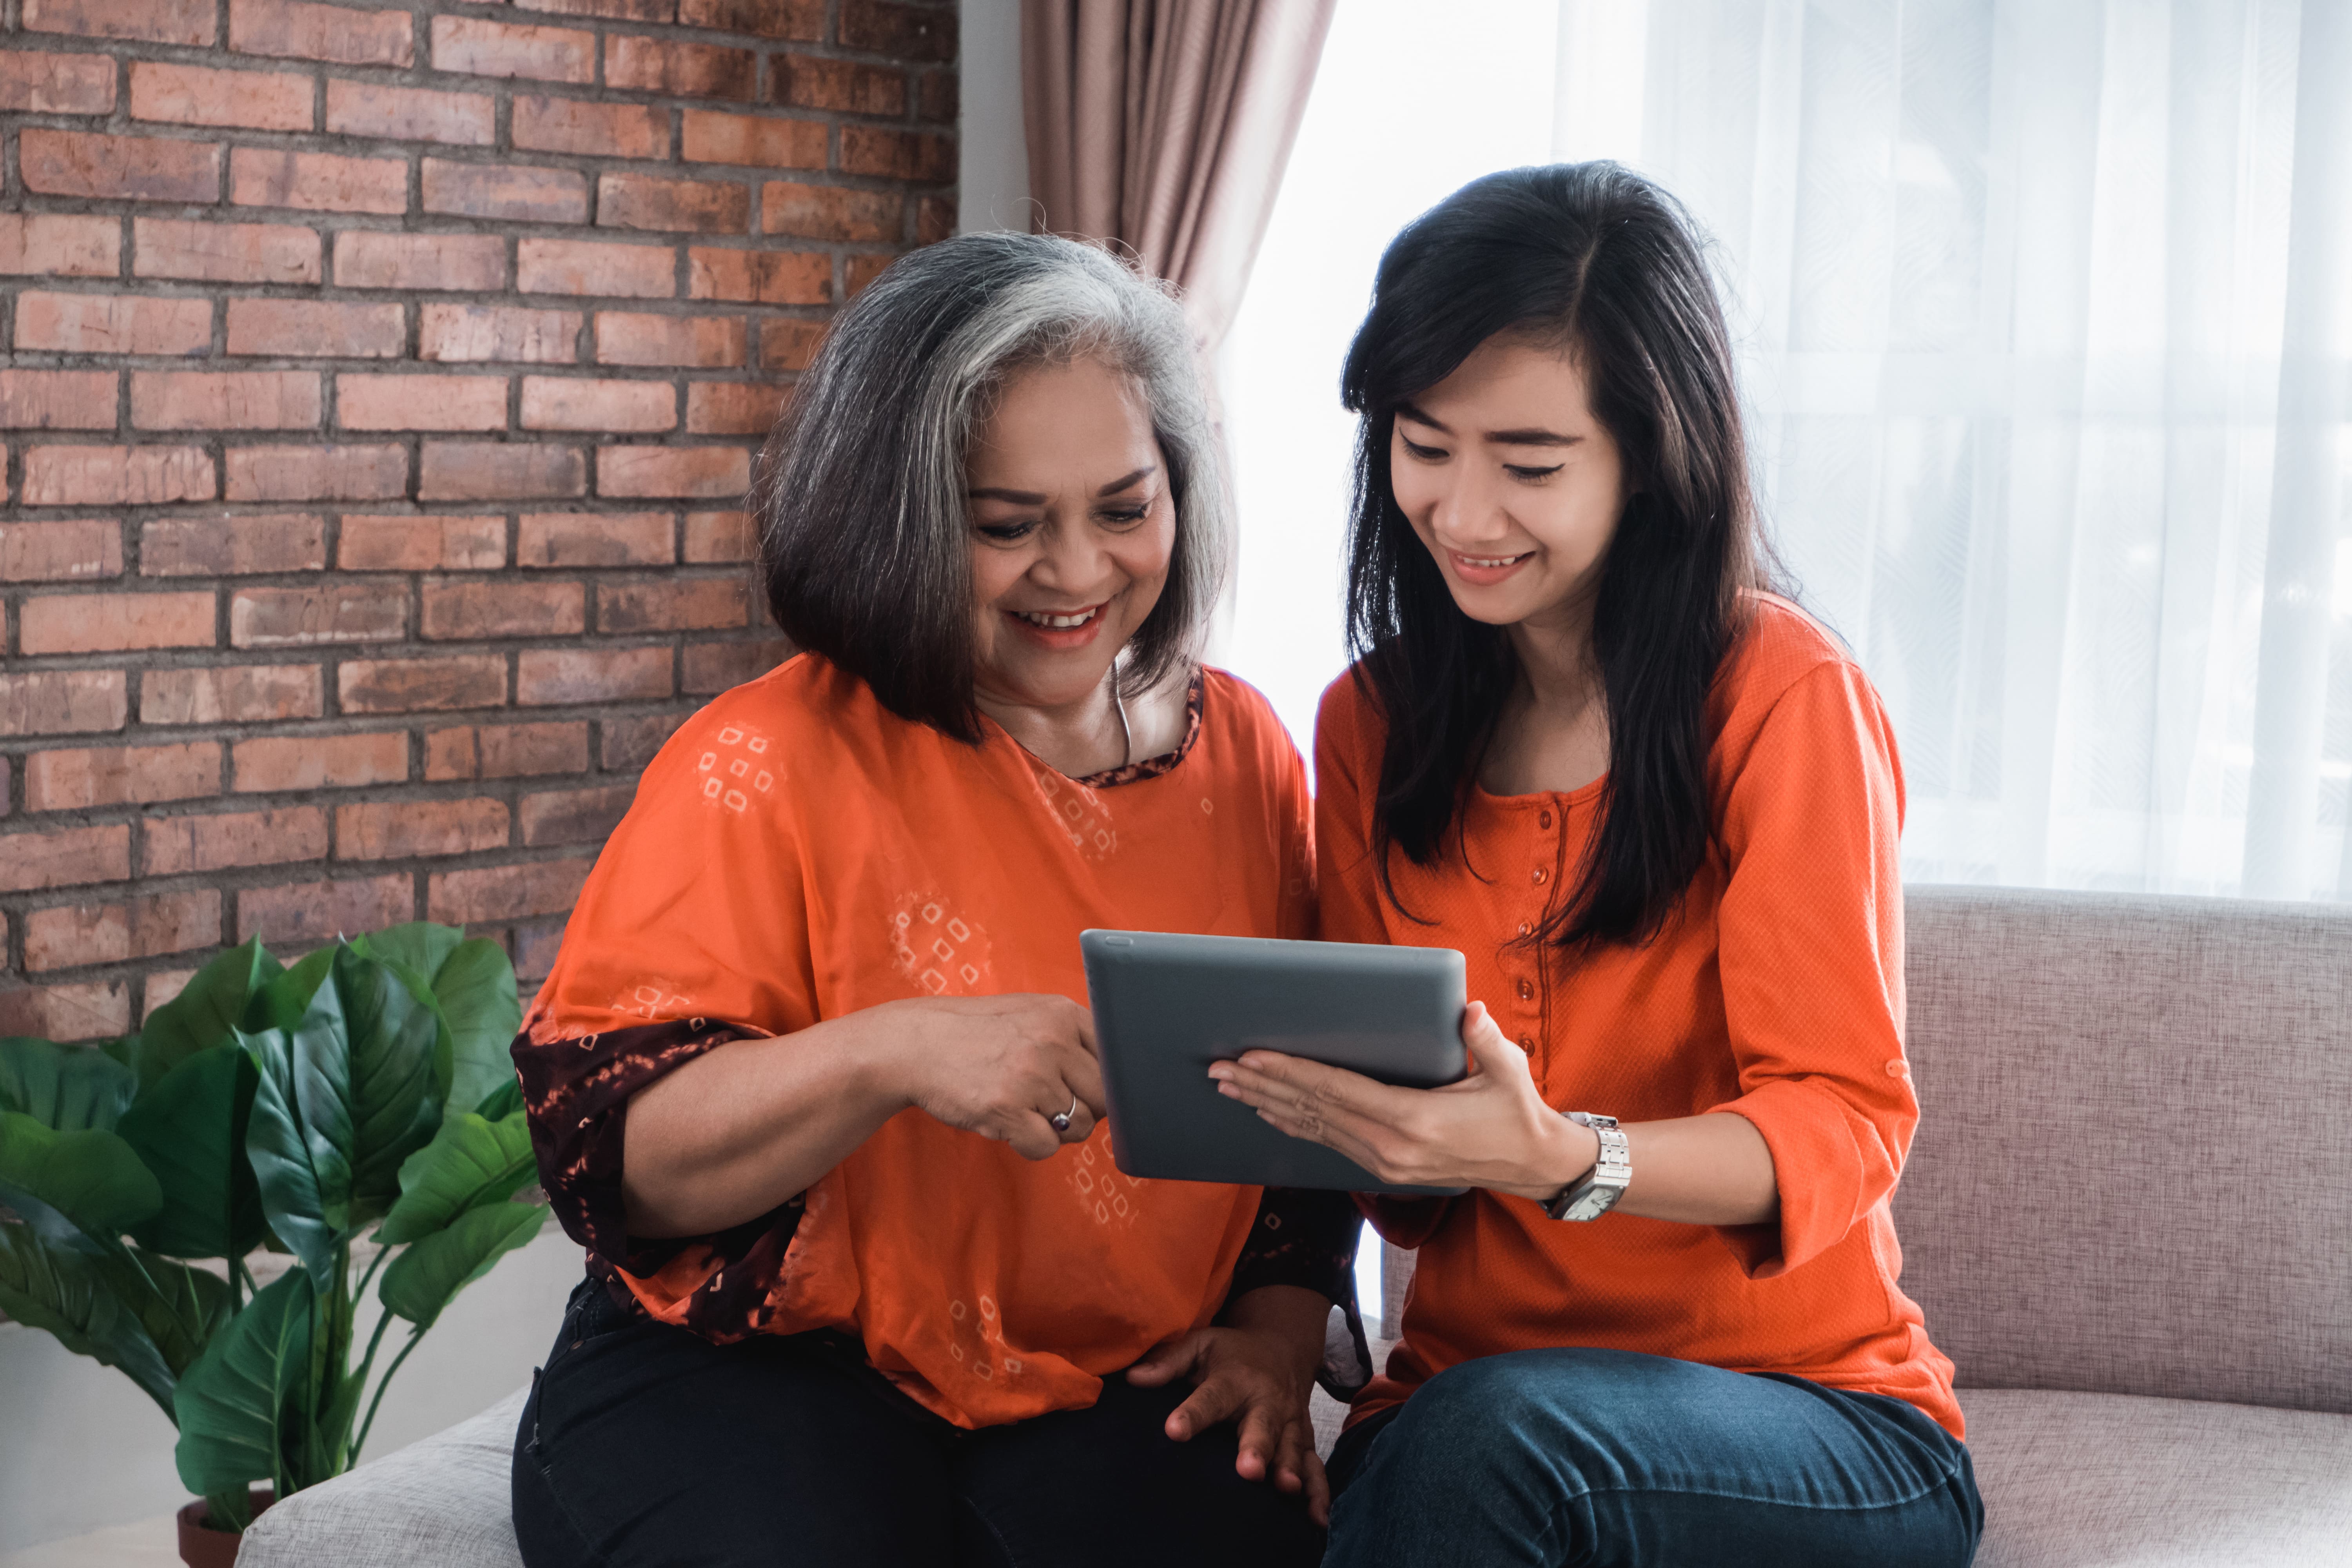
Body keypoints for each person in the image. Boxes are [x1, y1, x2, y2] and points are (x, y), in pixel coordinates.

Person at [508, 232, 1353, 1568]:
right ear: (895, 522)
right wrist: (898, 1051)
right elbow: (608, 1160)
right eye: (1006, 526)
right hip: (763, 1370)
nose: (1077, 574)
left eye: (1123, 509)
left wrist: (1281, 1332)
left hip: (1109, 1379)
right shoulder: (764, 759)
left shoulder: (1246, 756)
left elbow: (1309, 1096)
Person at [1208, 163, 1985, 1567]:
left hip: (1813, 1423)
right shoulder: (1369, 726)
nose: (1461, 509)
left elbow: (1846, 1125)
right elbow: (1403, 1191)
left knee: (1494, 1447)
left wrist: (1564, 1158)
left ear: (1652, 454)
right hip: (1460, 1410)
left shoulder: (1780, 696)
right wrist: (1372, 1134)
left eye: (1530, 463)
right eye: (1423, 443)